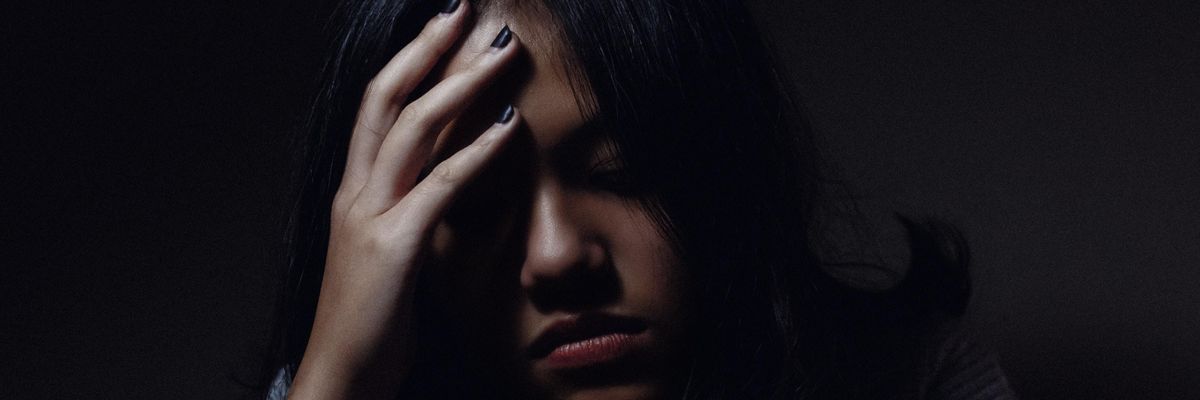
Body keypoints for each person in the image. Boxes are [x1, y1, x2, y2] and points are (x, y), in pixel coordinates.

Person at [254, 0, 1019, 398]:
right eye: (474, 203)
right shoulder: (342, 391)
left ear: (726, 163)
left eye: (624, 173)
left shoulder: (915, 380)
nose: (558, 257)